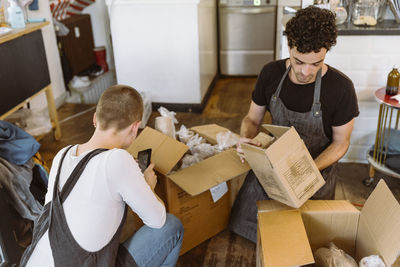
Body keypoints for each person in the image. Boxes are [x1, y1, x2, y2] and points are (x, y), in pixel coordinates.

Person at [229, 6, 359, 243]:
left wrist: (308, 168)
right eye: (299, 62)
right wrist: (246, 139)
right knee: (243, 222)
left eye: (316, 64)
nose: (306, 72)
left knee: (302, 238)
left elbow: (341, 143)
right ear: (289, 46)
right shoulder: (270, 74)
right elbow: (252, 119)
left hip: (316, 169)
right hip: (275, 165)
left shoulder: (341, 88)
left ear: (326, 52)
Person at [20, 85, 184, 267]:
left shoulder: (62, 154)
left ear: (95, 118)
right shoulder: (117, 159)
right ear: (135, 127)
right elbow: (157, 220)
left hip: (33, 261)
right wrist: (148, 187)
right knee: (171, 226)